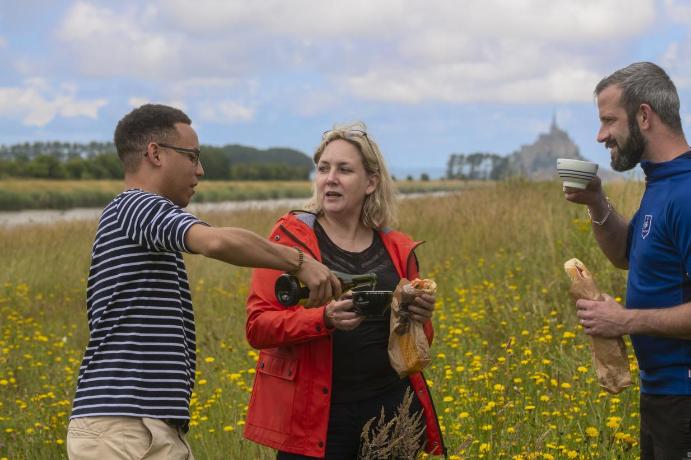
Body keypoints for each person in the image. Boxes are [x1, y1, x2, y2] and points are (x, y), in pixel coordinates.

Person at [66, 104, 341, 460]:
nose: (200, 169)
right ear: (155, 153)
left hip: (145, 427)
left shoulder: (140, 218)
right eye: (192, 156)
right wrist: (299, 261)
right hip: (124, 429)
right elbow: (216, 242)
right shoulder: (134, 206)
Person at [564, 62, 691, 459]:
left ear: (644, 116)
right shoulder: (664, 181)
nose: (601, 136)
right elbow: (625, 255)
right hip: (672, 394)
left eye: (608, 120)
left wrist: (625, 321)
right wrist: (597, 201)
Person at [243, 122, 446, 458]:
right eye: (323, 169)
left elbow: (416, 342)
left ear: (371, 182)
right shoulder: (290, 239)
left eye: (344, 169)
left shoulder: (397, 247)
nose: (330, 178)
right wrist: (323, 318)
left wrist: (419, 319)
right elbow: (258, 327)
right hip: (316, 418)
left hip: (392, 412)